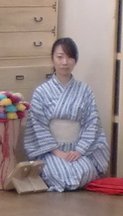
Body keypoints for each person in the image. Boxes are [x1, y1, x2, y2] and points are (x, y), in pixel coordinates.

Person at [22, 37, 110, 192]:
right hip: (50, 151)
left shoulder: (85, 90)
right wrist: (57, 152)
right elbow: (38, 126)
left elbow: (92, 123)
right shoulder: (41, 92)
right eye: (60, 57)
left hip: (77, 150)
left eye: (70, 57)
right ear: (52, 59)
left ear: (75, 60)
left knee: (85, 171)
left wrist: (79, 151)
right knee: (58, 173)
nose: (65, 62)